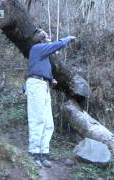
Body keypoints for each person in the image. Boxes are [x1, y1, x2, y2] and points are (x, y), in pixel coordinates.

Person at [25, 29, 76, 168]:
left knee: (48, 124)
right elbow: (54, 46)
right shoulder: (37, 48)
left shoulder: (43, 55)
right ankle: (33, 153)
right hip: (36, 85)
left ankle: (43, 154)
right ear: (40, 39)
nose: (46, 37)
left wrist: (50, 79)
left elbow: (41, 69)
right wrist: (67, 39)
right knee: (38, 119)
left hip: (43, 86)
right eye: (45, 36)